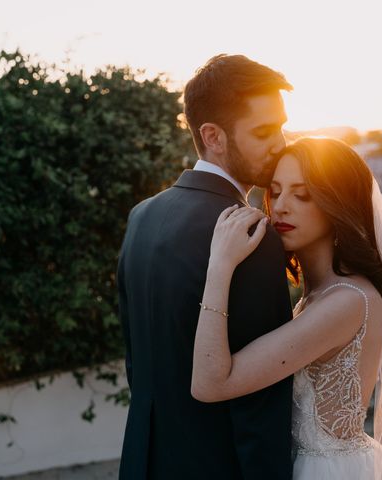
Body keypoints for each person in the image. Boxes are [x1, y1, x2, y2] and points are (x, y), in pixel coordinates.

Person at [191, 137, 382, 479]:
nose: (280, 206)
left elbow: (210, 384)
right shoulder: (319, 295)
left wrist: (219, 265)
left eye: (302, 194)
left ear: (336, 204)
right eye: (275, 191)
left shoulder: (347, 301)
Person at [117, 54, 295, 479]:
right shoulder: (250, 236)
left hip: (143, 462)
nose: (282, 143)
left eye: (282, 126)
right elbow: (261, 404)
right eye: (264, 131)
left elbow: (137, 363)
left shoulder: (141, 216)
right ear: (213, 136)